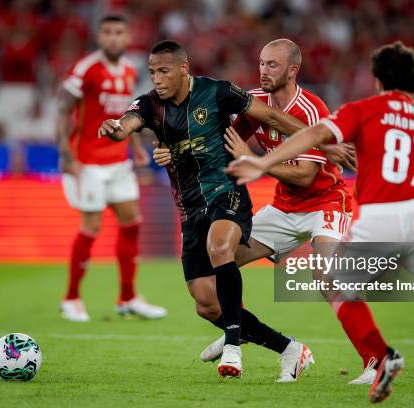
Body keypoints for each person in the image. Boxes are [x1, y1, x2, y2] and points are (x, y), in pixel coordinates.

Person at [227, 41, 414, 407]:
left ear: (376, 81)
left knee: (334, 284)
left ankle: (379, 357)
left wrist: (259, 163)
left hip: (368, 211)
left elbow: (315, 136)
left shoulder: (363, 109)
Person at [152, 39, 376, 385]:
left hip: (325, 202)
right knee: (213, 275)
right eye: (261, 63)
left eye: (273, 65)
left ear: (292, 71)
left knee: (327, 276)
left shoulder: (311, 108)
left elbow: (304, 175)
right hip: (285, 208)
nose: (263, 71)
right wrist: (171, 150)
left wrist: (255, 161)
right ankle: (237, 330)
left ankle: (374, 360)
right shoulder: (254, 105)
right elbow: (218, 142)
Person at [99, 40, 314, 381]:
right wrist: (115, 129)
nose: (157, 78)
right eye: (152, 72)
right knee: (206, 303)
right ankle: (290, 349)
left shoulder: (217, 92)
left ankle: (232, 346)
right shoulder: (151, 105)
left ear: (183, 69)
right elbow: (128, 121)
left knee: (220, 248)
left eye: (164, 71)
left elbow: (271, 115)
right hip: (189, 207)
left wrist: (325, 140)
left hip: (227, 191)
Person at [56, 15, 166, 322]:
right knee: (90, 228)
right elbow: (62, 112)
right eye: (108, 32)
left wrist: (136, 149)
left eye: (119, 32)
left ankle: (128, 297)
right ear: (99, 36)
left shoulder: (131, 69)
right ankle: (72, 298)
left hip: (119, 162)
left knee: (132, 222)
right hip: (89, 163)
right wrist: (66, 156)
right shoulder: (86, 69)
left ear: (128, 36)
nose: (113, 38)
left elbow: (126, 115)